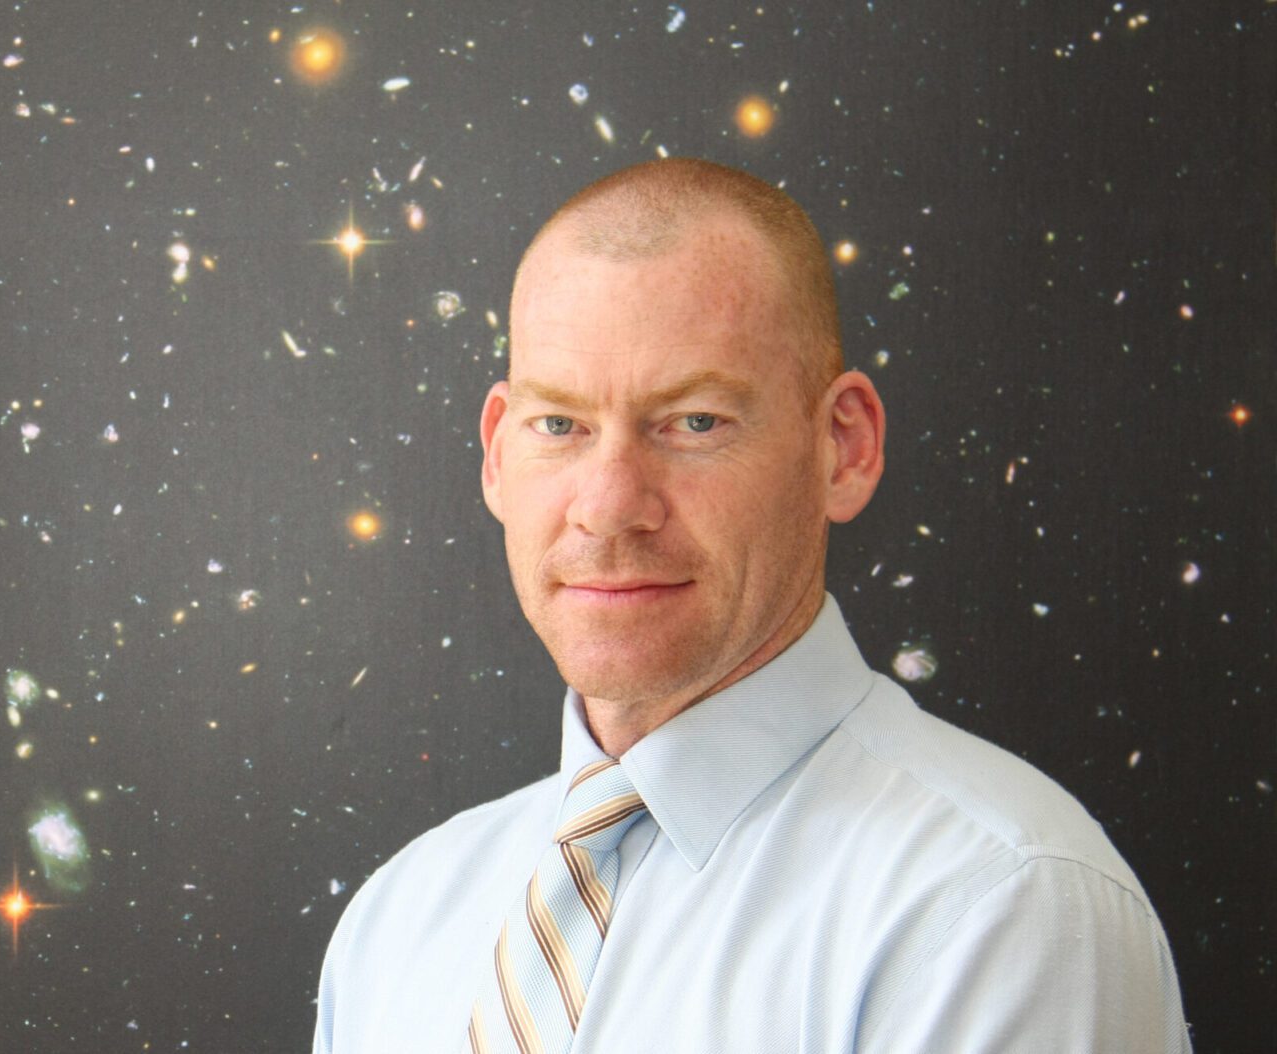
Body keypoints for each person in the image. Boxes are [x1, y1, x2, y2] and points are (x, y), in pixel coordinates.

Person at [313, 157, 1190, 1052]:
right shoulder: (401, 923)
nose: (611, 503)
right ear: (498, 454)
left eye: (695, 422)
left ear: (842, 448)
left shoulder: (996, 909)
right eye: (560, 425)